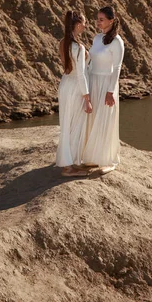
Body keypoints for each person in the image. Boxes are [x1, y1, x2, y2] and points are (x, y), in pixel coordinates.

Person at [82, 6, 124, 173]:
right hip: (94, 80)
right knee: (93, 119)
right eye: (97, 19)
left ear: (111, 21)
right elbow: (91, 59)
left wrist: (110, 91)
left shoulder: (117, 41)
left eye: (101, 19)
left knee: (106, 119)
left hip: (107, 83)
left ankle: (108, 160)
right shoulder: (97, 38)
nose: (97, 22)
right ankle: (93, 156)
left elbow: (117, 67)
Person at [56, 10, 93, 177]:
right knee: (75, 125)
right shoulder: (78, 47)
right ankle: (68, 167)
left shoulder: (62, 43)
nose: (85, 26)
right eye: (84, 23)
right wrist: (87, 98)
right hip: (75, 87)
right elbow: (80, 74)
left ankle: (68, 163)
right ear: (77, 25)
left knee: (66, 124)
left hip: (65, 85)